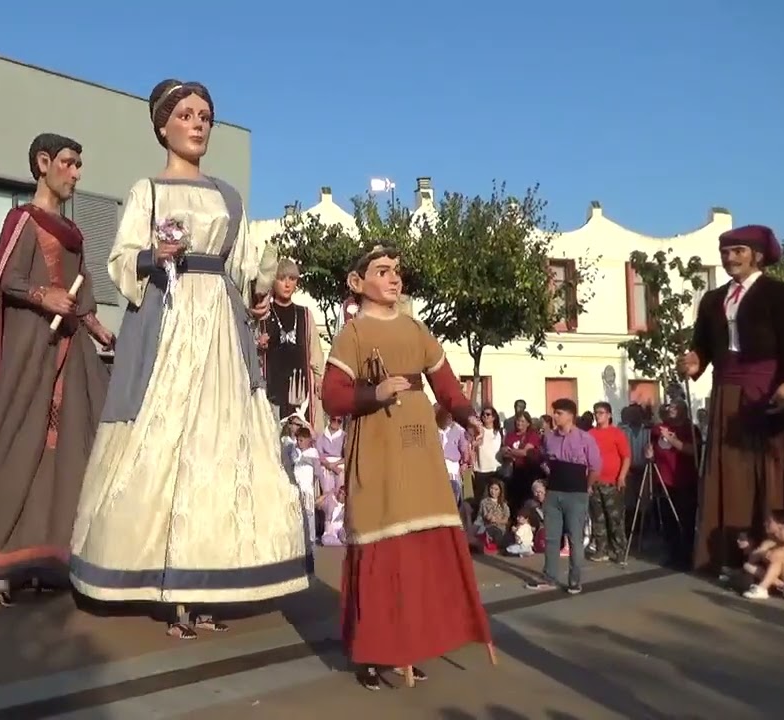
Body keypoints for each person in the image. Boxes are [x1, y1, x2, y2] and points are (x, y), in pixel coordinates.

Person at [71, 79, 309, 638]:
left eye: (205, 115)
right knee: (160, 440)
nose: (198, 124)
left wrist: (259, 291)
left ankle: (210, 578)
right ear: (163, 126)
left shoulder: (229, 197)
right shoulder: (148, 191)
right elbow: (120, 260)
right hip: (168, 318)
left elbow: (245, 265)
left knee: (219, 446)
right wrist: (153, 255)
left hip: (220, 326)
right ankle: (159, 579)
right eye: (186, 115)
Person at [0, 132, 113, 607]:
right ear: (43, 163)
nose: (76, 173)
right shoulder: (22, 219)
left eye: (79, 165)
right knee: (22, 445)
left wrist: (97, 328)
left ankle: (54, 555)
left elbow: (81, 295)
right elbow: (9, 279)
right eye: (68, 163)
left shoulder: (74, 232)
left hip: (72, 354)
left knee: (68, 452)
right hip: (33, 349)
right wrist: (45, 296)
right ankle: (5, 556)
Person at [320, 246, 492, 690]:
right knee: (380, 547)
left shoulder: (416, 329)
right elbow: (332, 396)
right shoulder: (353, 333)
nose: (394, 278)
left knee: (416, 549)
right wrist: (372, 394)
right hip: (377, 448)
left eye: (396, 271)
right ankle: (372, 653)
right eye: (382, 271)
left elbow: (446, 385)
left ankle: (409, 646)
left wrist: (468, 417)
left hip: (419, 453)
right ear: (357, 283)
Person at [679, 225, 784, 573]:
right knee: (730, 475)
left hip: (767, 391)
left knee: (771, 470)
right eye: (725, 252)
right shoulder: (712, 300)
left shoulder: (779, 294)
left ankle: (783, 560)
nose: (730, 258)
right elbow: (703, 347)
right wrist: (694, 361)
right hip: (726, 392)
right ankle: (729, 557)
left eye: (738, 251)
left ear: (758, 255)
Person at [526, 398, 602, 595]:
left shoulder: (585, 438)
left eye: (559, 413)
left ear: (570, 415)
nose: (555, 416)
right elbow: (545, 459)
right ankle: (549, 577)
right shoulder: (549, 437)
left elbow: (595, 467)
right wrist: (549, 471)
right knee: (552, 537)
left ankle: (575, 581)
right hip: (554, 493)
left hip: (576, 493)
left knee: (575, 538)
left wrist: (586, 486)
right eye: (555, 412)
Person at [258, 258, 325, 427]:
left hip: (301, 388)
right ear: (273, 281)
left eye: (292, 279)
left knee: (303, 433)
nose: (287, 284)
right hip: (272, 388)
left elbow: (315, 351)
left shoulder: (305, 315)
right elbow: (251, 352)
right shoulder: (263, 314)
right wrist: (258, 345)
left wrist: (319, 378)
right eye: (282, 279)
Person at [646, 401, 701, 568]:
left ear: (684, 411)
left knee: (685, 519)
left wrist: (672, 439)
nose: (671, 409)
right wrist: (649, 454)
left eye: (676, 407)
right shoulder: (658, 429)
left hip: (684, 480)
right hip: (663, 480)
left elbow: (693, 450)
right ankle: (672, 553)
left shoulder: (690, 429)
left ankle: (686, 555)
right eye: (670, 406)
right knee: (667, 519)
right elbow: (653, 448)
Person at [587, 401, 630, 564]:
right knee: (598, 519)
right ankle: (601, 549)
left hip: (612, 483)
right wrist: (588, 483)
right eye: (596, 413)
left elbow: (626, 456)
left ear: (609, 415)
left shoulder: (617, 433)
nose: (598, 416)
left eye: (601, 413)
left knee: (615, 519)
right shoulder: (590, 434)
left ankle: (619, 551)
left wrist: (622, 476)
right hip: (595, 482)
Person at [470, 406, 504, 502]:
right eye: (483, 414)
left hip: (495, 469)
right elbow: (472, 445)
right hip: (481, 470)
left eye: (488, 414)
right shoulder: (478, 431)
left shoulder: (499, 432)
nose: (485, 416)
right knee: (481, 498)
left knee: (495, 499)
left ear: (494, 417)